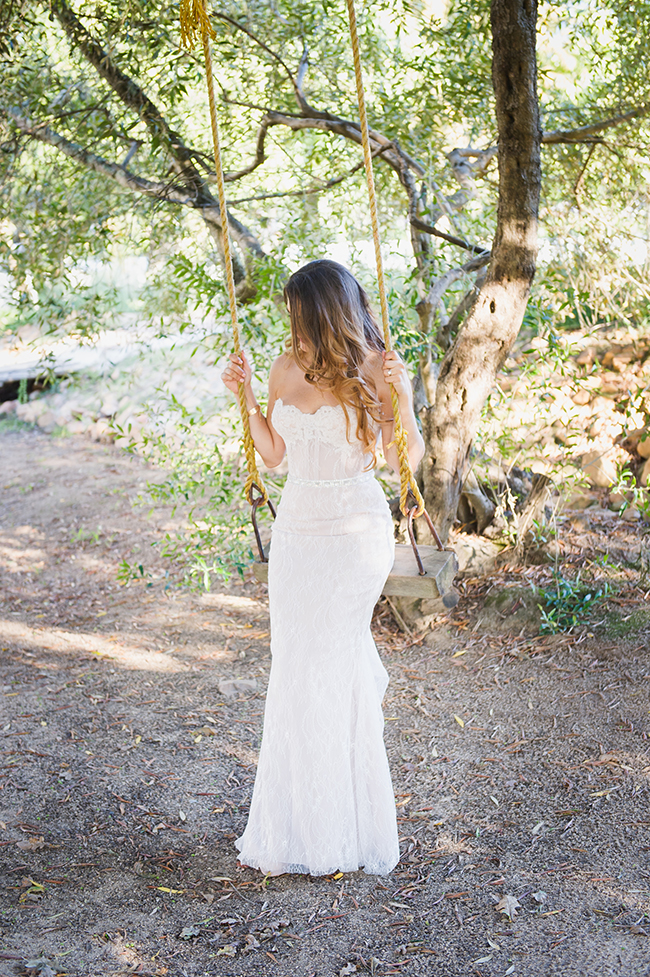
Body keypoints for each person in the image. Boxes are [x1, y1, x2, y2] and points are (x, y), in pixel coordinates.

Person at [221, 259, 424, 876]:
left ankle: (348, 824)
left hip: (355, 533)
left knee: (328, 663)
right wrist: (249, 398)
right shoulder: (285, 367)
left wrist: (407, 398)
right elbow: (277, 456)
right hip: (298, 531)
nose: (292, 325)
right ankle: (303, 826)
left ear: (324, 312)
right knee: (296, 666)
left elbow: (403, 460)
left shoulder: (376, 369)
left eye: (300, 314)